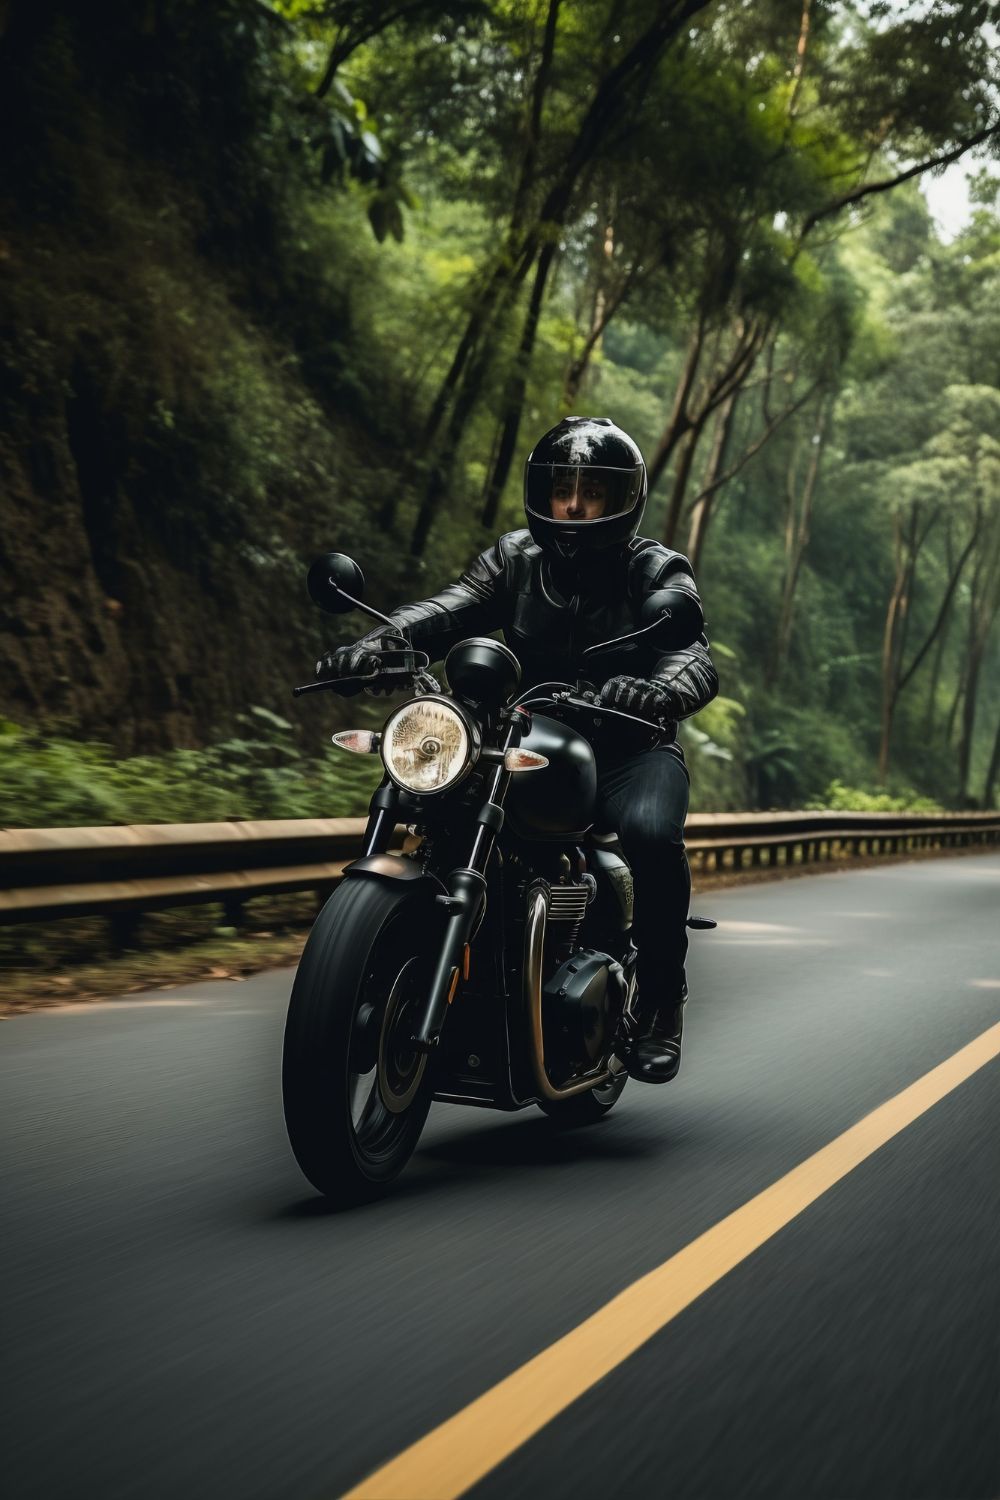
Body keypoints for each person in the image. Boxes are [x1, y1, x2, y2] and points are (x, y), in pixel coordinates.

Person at [318, 417, 719, 1083]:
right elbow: (449, 609)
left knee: (651, 831)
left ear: (622, 501)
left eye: (590, 492)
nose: (572, 505)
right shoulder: (514, 557)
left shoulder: (654, 568)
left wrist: (657, 693)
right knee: (428, 789)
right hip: (523, 735)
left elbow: (692, 655)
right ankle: (370, 966)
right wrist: (378, 643)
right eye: (562, 488)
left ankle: (659, 1004)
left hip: (626, 746)